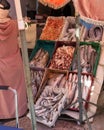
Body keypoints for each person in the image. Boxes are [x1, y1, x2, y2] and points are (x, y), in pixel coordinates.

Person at [0, 0, 27, 119]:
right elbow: (24, 26)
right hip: (14, 63)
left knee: (2, 93)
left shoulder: (15, 23)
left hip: (1, 64)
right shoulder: (15, 24)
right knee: (16, 89)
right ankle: (18, 112)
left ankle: (3, 114)